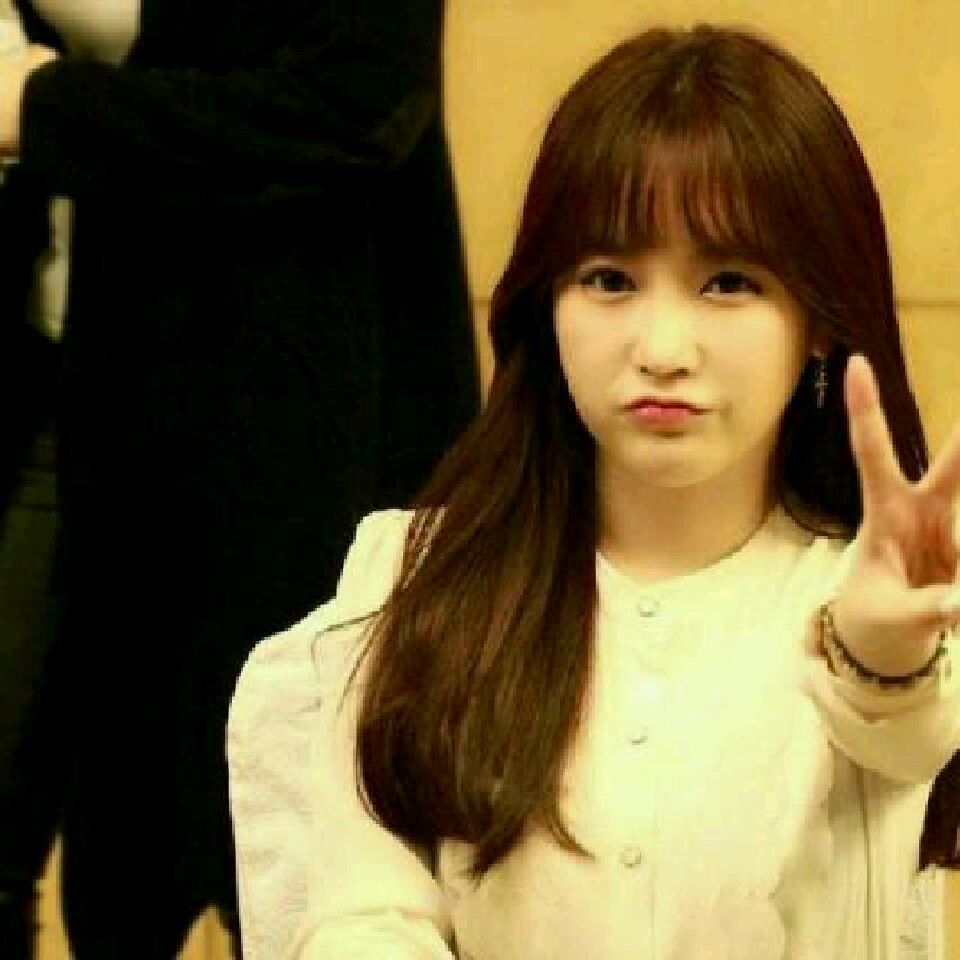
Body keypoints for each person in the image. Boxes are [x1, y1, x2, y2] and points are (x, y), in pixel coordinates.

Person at [227, 23, 960, 959]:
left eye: (727, 283)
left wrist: (885, 658)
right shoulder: (417, 579)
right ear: (549, 302)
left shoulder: (878, 607)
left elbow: (912, 733)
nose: (662, 349)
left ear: (816, 320)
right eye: (610, 279)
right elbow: (363, 916)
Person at [0, 1, 478, 957]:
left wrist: (45, 108)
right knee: (96, 842)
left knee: (303, 846)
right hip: (65, 389)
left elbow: (357, 106)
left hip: (292, 409)